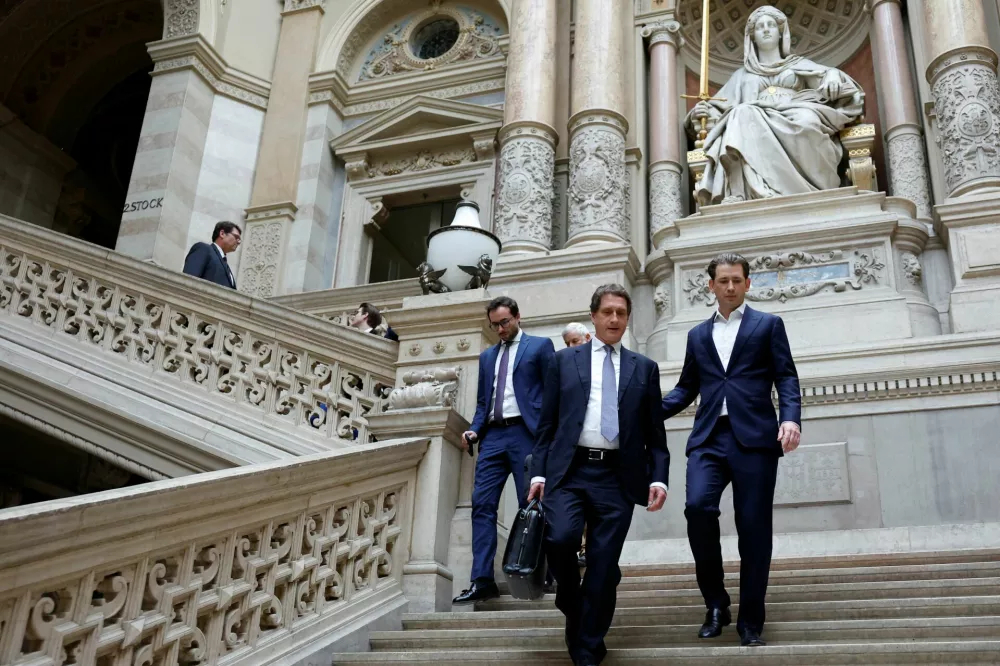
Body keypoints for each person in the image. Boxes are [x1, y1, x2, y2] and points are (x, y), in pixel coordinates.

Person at [661, 252, 801, 647]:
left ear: (747, 283)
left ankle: (751, 620)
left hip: (756, 439)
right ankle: (717, 603)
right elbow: (687, 388)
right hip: (709, 438)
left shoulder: (768, 325)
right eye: (723, 281)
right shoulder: (697, 336)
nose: (730, 287)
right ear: (711, 285)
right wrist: (645, 414)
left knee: (753, 528)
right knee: (697, 508)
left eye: (737, 280)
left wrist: (790, 418)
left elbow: (786, 376)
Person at [529, 284, 669, 666]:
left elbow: (655, 434)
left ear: (627, 319)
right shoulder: (562, 362)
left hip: (616, 477)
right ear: (593, 316)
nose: (614, 319)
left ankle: (587, 645)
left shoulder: (645, 369)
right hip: (569, 471)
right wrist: (537, 474)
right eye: (607, 312)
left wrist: (658, 478)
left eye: (621, 313)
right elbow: (547, 426)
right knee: (560, 538)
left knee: (604, 567)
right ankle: (570, 602)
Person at [687, 5, 864, 205]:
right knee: (740, 114)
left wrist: (832, 75)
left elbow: (829, 81)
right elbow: (719, 107)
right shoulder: (742, 76)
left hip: (797, 112)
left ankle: (811, 186)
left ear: (781, 33)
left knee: (807, 121)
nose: (766, 29)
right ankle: (746, 190)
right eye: (760, 26)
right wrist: (702, 112)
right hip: (754, 119)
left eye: (771, 25)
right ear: (752, 37)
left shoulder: (797, 64)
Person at [454, 296, 556, 604]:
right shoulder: (486, 358)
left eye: (504, 322)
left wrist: (550, 437)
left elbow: (553, 395)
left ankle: (544, 574)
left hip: (527, 434)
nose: (500, 329)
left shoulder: (540, 347)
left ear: (517, 317)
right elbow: (484, 403)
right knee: (482, 505)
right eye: (495, 325)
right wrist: (474, 429)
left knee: (535, 504)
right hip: (493, 438)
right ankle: (482, 579)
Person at [182, 221, 241, 289]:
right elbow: (188, 281)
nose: (239, 242)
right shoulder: (203, 249)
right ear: (222, 234)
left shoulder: (225, 264)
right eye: (236, 237)